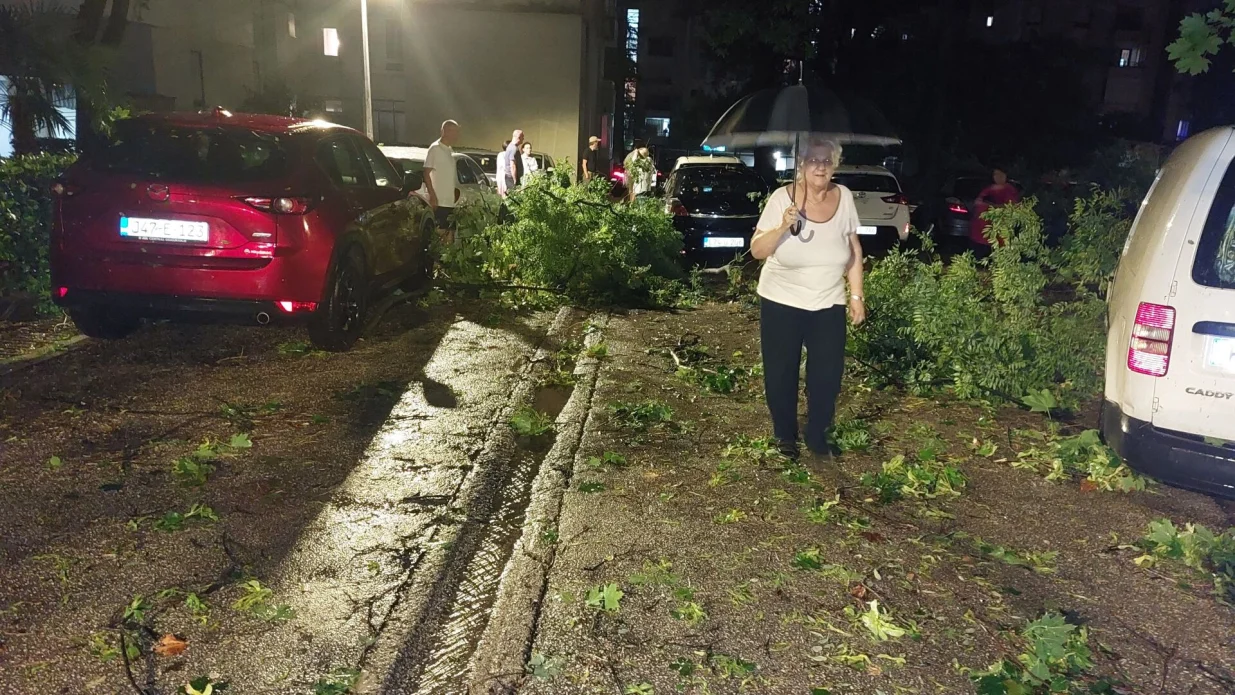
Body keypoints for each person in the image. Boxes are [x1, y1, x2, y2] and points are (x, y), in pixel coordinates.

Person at [749, 138, 866, 463]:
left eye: (826, 161)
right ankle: (785, 434)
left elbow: (854, 250)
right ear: (800, 166)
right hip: (781, 299)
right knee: (781, 371)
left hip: (828, 300)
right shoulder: (780, 199)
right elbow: (758, 250)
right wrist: (783, 226)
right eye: (813, 160)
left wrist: (856, 295)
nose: (820, 166)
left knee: (827, 373)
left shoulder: (843, 198)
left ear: (834, 166)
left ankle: (817, 434)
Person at [969, 165, 1021, 260]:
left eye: (999, 174)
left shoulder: (1009, 190)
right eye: (995, 174)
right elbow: (977, 202)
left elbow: (1011, 207)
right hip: (979, 232)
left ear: (1005, 175)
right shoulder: (989, 189)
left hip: (997, 233)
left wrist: (991, 206)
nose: (997, 177)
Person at [423, 120, 461, 236]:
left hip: (450, 202)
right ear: (445, 131)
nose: (456, 135)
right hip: (439, 202)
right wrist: (432, 195)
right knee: (441, 234)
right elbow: (426, 172)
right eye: (453, 131)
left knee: (450, 234)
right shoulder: (435, 148)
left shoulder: (449, 150)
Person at [505, 130, 525, 194]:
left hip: (509, 177)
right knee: (514, 196)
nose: (523, 138)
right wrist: (515, 179)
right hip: (511, 178)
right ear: (518, 137)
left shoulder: (511, 146)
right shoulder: (513, 148)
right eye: (522, 137)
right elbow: (512, 165)